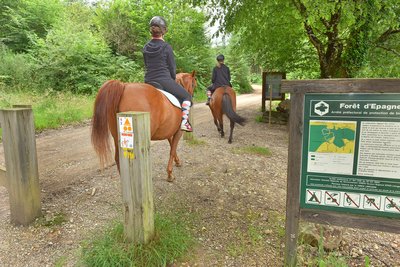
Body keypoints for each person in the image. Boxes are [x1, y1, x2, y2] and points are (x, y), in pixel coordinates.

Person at [142, 16, 193, 132]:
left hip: (148, 81)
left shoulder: (145, 47)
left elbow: (146, 65)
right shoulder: (166, 47)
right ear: (163, 31)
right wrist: (172, 79)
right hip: (164, 80)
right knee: (187, 96)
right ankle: (184, 122)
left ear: (151, 30)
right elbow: (172, 67)